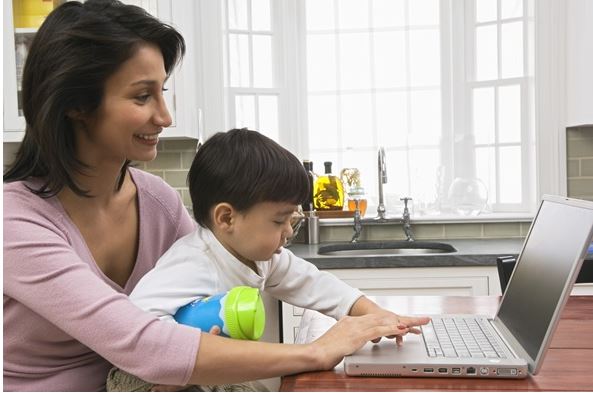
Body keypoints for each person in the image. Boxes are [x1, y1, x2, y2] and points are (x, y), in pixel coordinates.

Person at [3, 0, 428, 391]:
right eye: (142, 95)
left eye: (163, 91)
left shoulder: (157, 200)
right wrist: (319, 349)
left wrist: (370, 315)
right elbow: (140, 343)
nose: (165, 117)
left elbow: (228, 263)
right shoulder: (15, 222)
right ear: (76, 104)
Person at [107, 128, 430, 390]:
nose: (288, 232)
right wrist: (183, 365)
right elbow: (137, 326)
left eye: (293, 220)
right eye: (279, 221)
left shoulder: (263, 256)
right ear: (226, 218)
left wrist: (376, 317)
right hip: (144, 381)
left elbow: (313, 283)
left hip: (199, 372)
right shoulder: (194, 262)